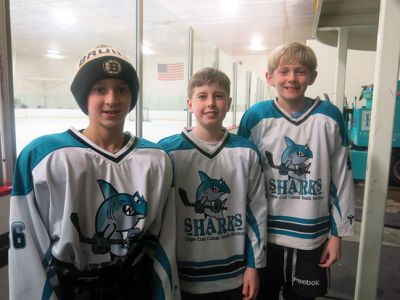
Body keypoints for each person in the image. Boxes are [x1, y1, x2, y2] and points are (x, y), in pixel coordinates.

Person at [9, 45, 179, 300]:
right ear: (84, 97)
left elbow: (163, 242)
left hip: (135, 288)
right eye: (100, 89)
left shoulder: (156, 159)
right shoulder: (42, 158)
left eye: (121, 89)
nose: (112, 99)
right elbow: (27, 251)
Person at [238, 41, 355, 300]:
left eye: (301, 71)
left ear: (312, 76)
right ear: (270, 77)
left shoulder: (330, 117)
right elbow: (243, 179)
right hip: (264, 237)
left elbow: (342, 179)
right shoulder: (255, 117)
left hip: (312, 237)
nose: (292, 78)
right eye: (284, 71)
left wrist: (337, 235)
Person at [158, 67, 267, 300]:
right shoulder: (167, 152)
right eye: (202, 96)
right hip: (184, 277)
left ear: (228, 104)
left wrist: (253, 265)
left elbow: (256, 212)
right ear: (190, 104)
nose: (211, 103)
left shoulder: (246, 151)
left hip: (233, 275)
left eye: (218, 96)